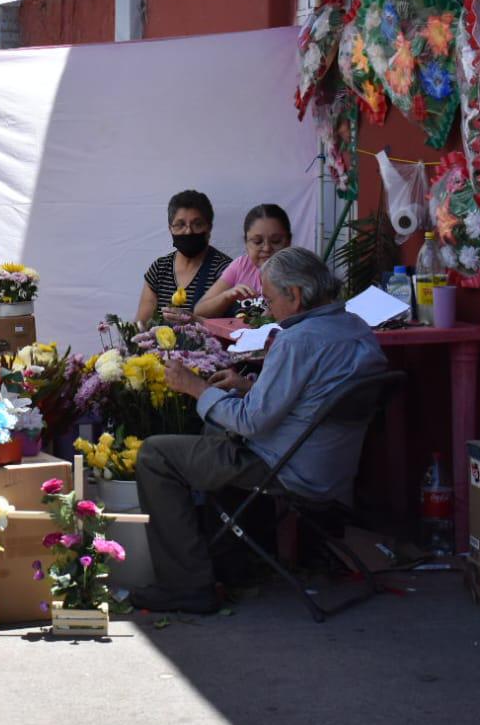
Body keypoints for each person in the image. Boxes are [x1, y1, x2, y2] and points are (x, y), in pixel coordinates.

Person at [131, 247, 389, 613]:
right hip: (332, 467)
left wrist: (195, 387)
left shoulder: (298, 340)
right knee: (215, 431)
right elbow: (316, 398)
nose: (267, 309)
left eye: (270, 299)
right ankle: (231, 564)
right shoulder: (356, 328)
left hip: (287, 466)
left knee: (156, 454)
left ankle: (186, 585)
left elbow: (251, 422)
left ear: (295, 296)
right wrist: (247, 386)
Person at [135, 189, 233, 323]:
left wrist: (195, 321)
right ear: (170, 229)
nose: (188, 231)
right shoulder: (159, 269)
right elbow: (141, 325)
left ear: (209, 228)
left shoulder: (226, 270)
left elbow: (232, 328)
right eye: (180, 225)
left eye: (197, 224)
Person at [194, 204, 293, 318]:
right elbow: (200, 310)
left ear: (288, 241)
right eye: (257, 241)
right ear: (246, 243)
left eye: (276, 241)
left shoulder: (300, 269)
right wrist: (227, 296)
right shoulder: (241, 265)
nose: (266, 248)